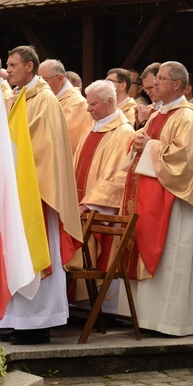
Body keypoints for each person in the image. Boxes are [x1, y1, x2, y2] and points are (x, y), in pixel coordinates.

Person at [120, 61, 193, 336]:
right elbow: (149, 144)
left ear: (177, 84)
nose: (154, 84)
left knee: (172, 258)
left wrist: (149, 146)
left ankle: (170, 323)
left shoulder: (186, 117)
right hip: (153, 199)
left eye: (162, 79)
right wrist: (140, 141)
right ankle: (149, 319)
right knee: (156, 257)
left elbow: (185, 159)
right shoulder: (159, 114)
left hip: (176, 201)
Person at [0, 45, 83, 344]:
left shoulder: (44, 100)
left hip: (37, 195)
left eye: (12, 65)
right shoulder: (20, 96)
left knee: (36, 255)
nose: (8, 70)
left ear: (30, 67)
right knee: (17, 257)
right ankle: (19, 320)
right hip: (18, 192)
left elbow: (42, 149)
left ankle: (38, 324)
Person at [71, 80, 134, 307]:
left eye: (93, 104)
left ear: (109, 102)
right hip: (79, 207)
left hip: (96, 210)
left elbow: (119, 176)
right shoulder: (89, 130)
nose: (88, 109)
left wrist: (88, 204)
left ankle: (96, 304)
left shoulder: (124, 132)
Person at [38, 59, 91, 154]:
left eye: (45, 80)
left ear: (60, 78)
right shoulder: (44, 99)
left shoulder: (78, 104)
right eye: (39, 80)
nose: (41, 84)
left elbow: (71, 142)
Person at [133, 62, 161, 130]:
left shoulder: (173, 110)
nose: (148, 92)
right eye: (145, 89)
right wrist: (137, 123)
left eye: (151, 87)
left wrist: (144, 122)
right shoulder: (148, 108)